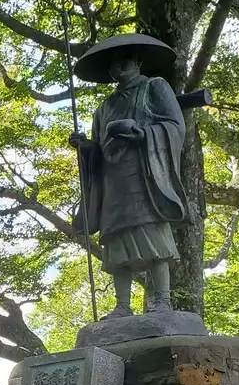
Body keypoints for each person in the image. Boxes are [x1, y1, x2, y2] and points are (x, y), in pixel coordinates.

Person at [69, 33, 193, 317]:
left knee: (154, 237)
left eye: (123, 61)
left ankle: (162, 301)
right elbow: (100, 148)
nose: (117, 68)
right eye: (112, 65)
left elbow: (175, 126)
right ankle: (122, 306)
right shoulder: (104, 107)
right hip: (114, 183)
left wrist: (142, 132)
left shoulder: (154, 88)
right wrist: (86, 147)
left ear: (137, 60)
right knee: (116, 241)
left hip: (145, 175)